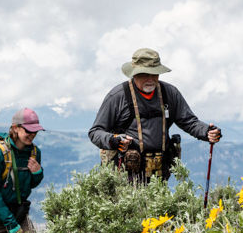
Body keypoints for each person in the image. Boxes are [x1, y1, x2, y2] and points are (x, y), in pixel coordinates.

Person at [89, 48, 222, 182]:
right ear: (134, 74)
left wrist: (206, 132)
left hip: (159, 174)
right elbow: (95, 132)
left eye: (155, 74)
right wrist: (113, 140)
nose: (151, 79)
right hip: (123, 175)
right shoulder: (118, 96)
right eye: (145, 74)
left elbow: (189, 121)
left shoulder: (169, 93)